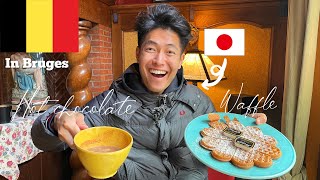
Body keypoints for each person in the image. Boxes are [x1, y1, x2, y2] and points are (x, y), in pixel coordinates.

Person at [31, 4, 267, 180]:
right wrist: (54, 120)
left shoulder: (199, 101)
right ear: (138, 53)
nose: (159, 61)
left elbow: (223, 141)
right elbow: (45, 139)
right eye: (151, 49)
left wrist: (250, 133)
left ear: (182, 58)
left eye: (170, 52)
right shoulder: (111, 102)